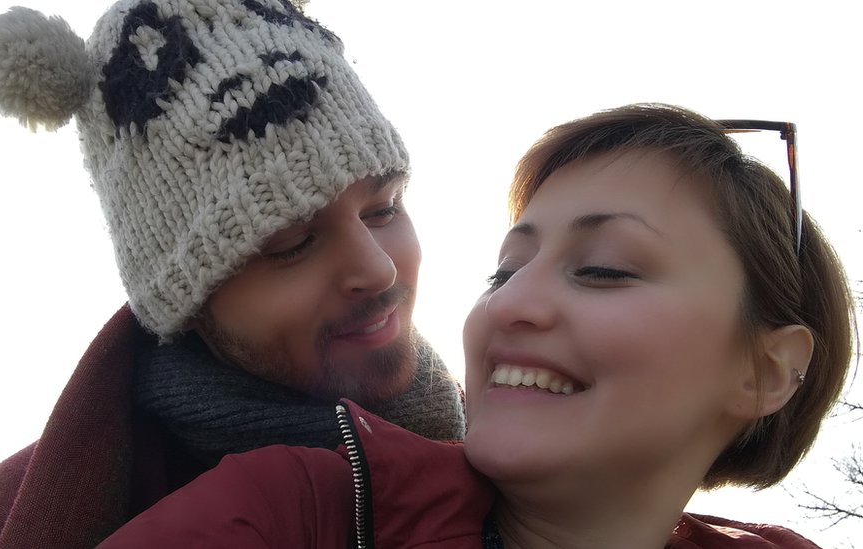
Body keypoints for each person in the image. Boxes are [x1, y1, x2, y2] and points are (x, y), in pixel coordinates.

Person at [95, 103, 855, 548]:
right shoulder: (298, 513)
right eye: (505, 270)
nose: (510, 303)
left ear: (767, 370)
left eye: (603, 269)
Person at [0, 1, 467, 548]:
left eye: (384, 208)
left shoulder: (504, 445)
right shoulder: (28, 512)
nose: (379, 268)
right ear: (188, 303)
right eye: (291, 244)